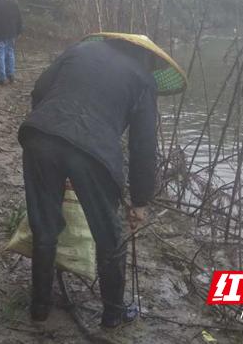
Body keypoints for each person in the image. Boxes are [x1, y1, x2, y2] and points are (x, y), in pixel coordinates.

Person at [17, 36, 173, 328]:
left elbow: (39, 90)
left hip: (40, 137)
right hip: (92, 153)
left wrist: (53, 135)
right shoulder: (143, 79)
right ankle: (113, 314)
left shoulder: (81, 48)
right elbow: (143, 146)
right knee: (110, 237)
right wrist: (140, 201)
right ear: (148, 59)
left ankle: (39, 307)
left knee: (44, 226)